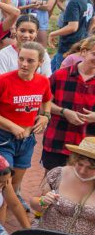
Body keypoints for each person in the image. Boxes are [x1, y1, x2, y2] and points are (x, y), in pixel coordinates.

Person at [0, 42, 52, 193]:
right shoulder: (2, 81)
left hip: (27, 140)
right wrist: (11, 125)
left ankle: (12, 203)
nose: (24, 64)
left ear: (40, 62)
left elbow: (47, 100)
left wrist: (45, 115)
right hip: (3, 138)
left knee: (15, 183)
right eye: (21, 59)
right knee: (2, 183)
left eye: (30, 61)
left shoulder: (43, 81)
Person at [33, 137, 95, 235]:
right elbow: (35, 205)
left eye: (90, 168)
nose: (82, 171)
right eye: (80, 164)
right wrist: (42, 201)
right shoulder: (58, 173)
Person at [42, 37, 95, 171]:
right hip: (58, 139)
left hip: (89, 145)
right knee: (51, 182)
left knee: (84, 186)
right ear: (83, 52)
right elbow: (44, 103)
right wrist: (64, 112)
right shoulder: (60, 75)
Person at [50, 0, 95, 71]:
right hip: (80, 43)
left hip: (68, 46)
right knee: (51, 69)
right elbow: (92, 19)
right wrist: (86, 34)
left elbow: (72, 27)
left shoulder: (74, 2)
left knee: (60, 75)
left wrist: (52, 33)